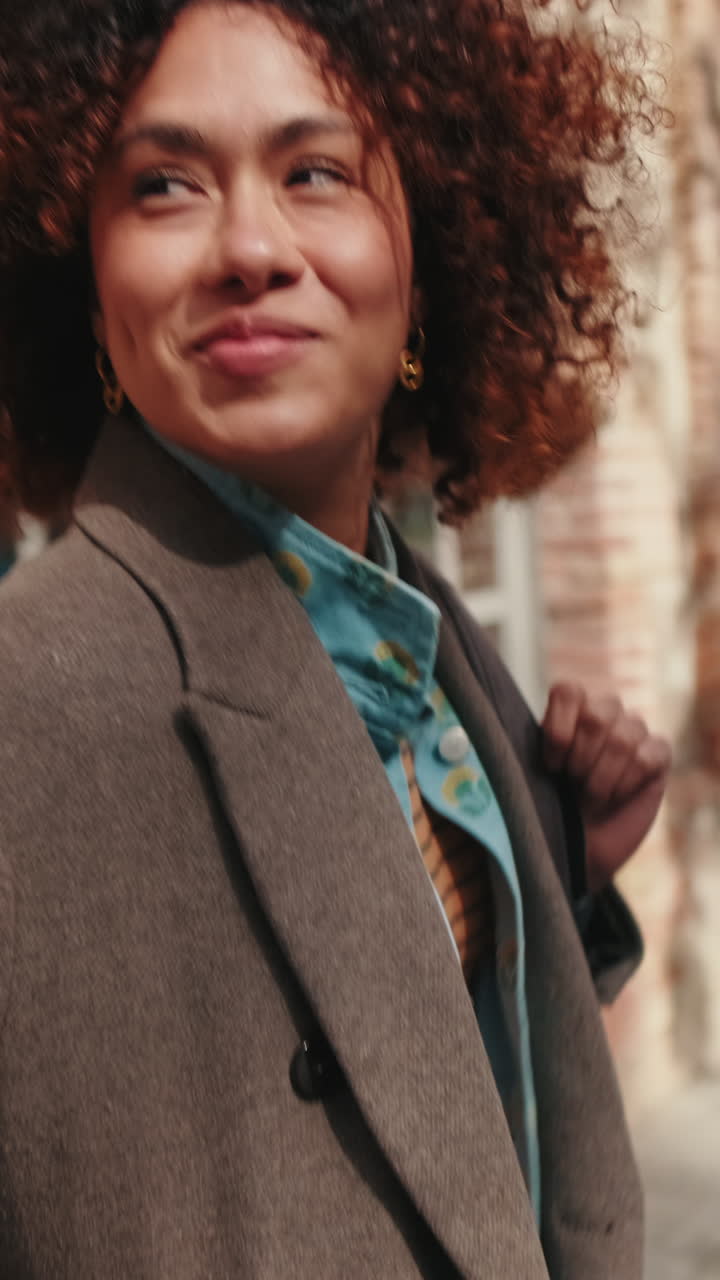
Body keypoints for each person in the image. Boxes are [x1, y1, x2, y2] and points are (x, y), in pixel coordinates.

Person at [0, 1, 670, 1276]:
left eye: (316, 172)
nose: (249, 247)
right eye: (164, 185)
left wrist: (545, 881)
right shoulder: (25, 711)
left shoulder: (428, 654)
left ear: (426, 266)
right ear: (86, 287)